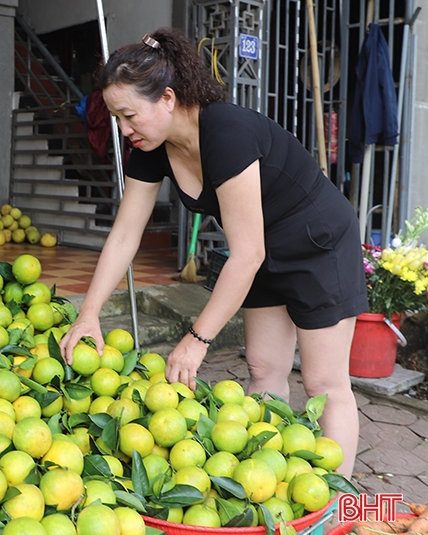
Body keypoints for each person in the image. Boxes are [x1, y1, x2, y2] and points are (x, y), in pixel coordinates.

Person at [58, 27, 366, 477]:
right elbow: (125, 234)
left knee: (324, 382)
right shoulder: (151, 145)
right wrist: (89, 313)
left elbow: (246, 253)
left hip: (315, 243)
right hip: (258, 249)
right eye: (116, 118)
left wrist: (196, 341)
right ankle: (270, 486)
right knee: (263, 370)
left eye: (129, 115)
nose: (124, 130)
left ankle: (333, 507)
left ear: (167, 98)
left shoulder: (226, 131)